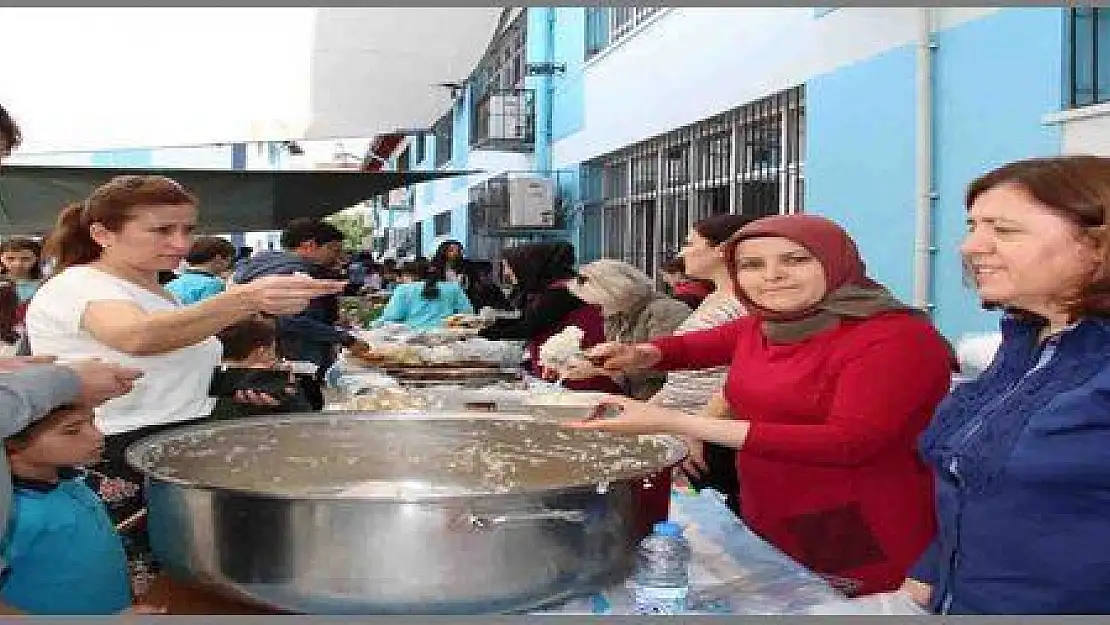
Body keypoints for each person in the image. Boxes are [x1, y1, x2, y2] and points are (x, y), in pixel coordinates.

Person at [562, 214, 952, 597]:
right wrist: (638, 354)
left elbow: (850, 441)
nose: (772, 275)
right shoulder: (768, 323)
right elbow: (695, 346)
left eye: (795, 260)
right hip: (773, 510)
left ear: (836, 262)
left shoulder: (896, 338)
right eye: (751, 265)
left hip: (857, 525)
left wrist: (677, 422)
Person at [24, 175, 345, 581]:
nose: (180, 243)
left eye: (187, 230)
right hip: (112, 454)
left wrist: (233, 386)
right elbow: (137, 336)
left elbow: (165, 367)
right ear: (103, 234)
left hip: (174, 443)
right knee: (132, 578)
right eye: (161, 230)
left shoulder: (161, 292)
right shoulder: (78, 285)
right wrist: (244, 299)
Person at [896, 156, 1110, 615]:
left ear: (1097, 245)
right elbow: (977, 488)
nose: (970, 247)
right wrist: (926, 577)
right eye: (972, 226)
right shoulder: (1025, 344)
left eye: (1004, 230)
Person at [647, 214, 756, 513]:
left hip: (710, 434)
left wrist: (698, 430)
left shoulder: (743, 304)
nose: (682, 253)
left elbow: (738, 376)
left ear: (722, 249)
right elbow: (683, 373)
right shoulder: (714, 297)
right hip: (688, 427)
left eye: (690, 243)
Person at [1, 404, 134, 614]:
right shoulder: (13, 515)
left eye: (92, 421)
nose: (98, 435)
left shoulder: (73, 481)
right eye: (72, 431)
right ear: (11, 443)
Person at [231, 218, 371, 389]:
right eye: (333, 250)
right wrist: (344, 339)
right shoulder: (295, 273)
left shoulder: (265, 265)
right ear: (309, 245)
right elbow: (289, 320)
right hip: (296, 358)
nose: (338, 257)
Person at [479, 241, 620, 393]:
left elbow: (527, 327)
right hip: (573, 370)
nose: (506, 272)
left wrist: (481, 332)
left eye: (509, 266)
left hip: (581, 376)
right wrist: (488, 324)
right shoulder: (556, 289)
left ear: (528, 265)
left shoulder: (559, 293)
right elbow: (529, 320)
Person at [567, 259, 691, 399]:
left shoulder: (664, 311)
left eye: (598, 303)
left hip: (669, 400)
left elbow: (664, 364)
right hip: (639, 397)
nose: (597, 310)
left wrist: (599, 369)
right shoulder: (615, 315)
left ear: (616, 293)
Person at [209, 315, 313, 421]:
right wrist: (291, 397)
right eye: (274, 351)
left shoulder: (209, 381)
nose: (278, 359)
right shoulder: (268, 389)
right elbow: (305, 423)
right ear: (261, 352)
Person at [373, 259, 473, 330]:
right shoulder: (453, 288)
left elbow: (391, 317)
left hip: (412, 340)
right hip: (449, 340)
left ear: (411, 275)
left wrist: (373, 325)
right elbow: (468, 314)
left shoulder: (404, 289)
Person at [429, 239, 511, 311]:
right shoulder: (436, 269)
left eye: (458, 250)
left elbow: (476, 280)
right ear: (444, 252)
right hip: (444, 302)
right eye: (451, 250)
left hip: (466, 300)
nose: (456, 253)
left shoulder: (466, 266)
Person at [164, 236, 237, 305]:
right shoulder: (213, 284)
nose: (230, 264)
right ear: (218, 259)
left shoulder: (171, 284)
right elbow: (211, 314)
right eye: (229, 260)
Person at [0, 238, 43, 313]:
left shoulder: (45, 283)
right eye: (10, 258)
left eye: (26, 258)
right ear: (1, 259)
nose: (18, 264)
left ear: (37, 258)